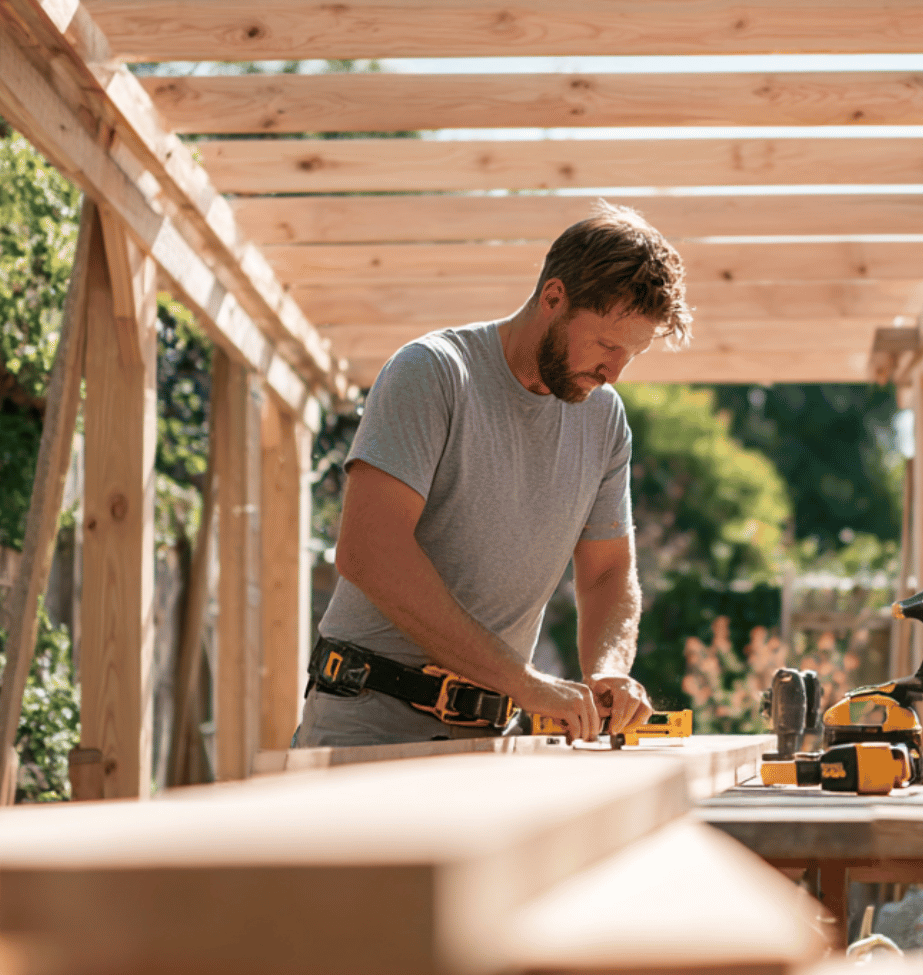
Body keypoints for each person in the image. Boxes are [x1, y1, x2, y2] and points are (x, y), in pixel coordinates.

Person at [292, 201, 692, 747]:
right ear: (554, 298)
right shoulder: (433, 372)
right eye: (606, 345)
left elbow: (606, 572)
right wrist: (524, 682)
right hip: (368, 721)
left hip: (490, 734)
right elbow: (369, 552)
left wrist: (607, 670)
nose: (614, 372)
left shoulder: (604, 420)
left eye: (632, 355)